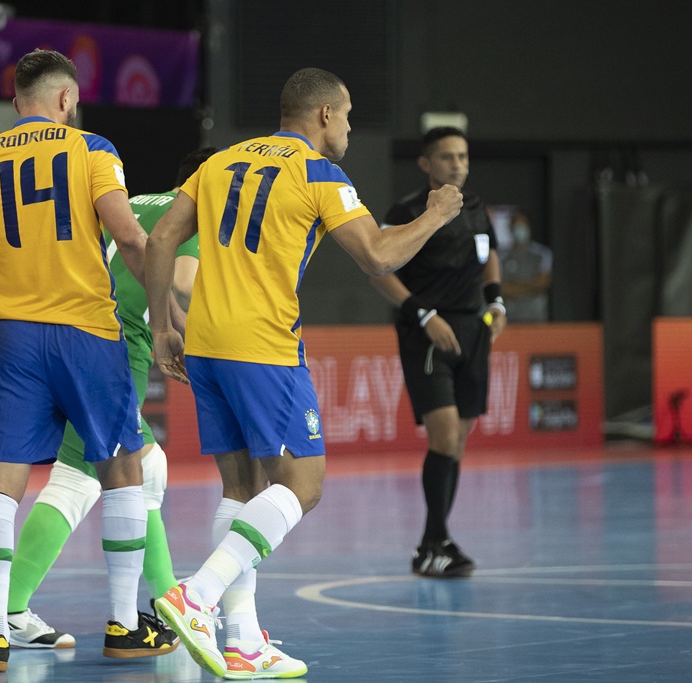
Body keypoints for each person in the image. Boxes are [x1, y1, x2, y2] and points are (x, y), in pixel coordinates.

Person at [145, 68, 463, 679]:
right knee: (304, 485)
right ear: (323, 115)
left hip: (205, 343)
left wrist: (163, 327)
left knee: (243, 489)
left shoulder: (220, 163)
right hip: (263, 345)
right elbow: (379, 254)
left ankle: (241, 641)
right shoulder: (320, 173)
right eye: (346, 115)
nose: (347, 126)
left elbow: (161, 240)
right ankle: (199, 595)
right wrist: (436, 214)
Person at [0, 49, 183, 672]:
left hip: (15, 339)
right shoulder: (92, 148)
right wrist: (161, 321)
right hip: (86, 332)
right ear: (64, 99)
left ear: (17, 100)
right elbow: (130, 236)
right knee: (122, 472)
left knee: (2, 481)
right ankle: (124, 623)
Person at [0, 147, 215, 650]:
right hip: (117, 347)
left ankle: (167, 601)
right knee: (79, 477)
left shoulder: (135, 200)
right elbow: (183, 283)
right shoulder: (195, 215)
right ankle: (10, 608)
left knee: (147, 468)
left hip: (65, 329)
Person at [371, 126, 506, 578]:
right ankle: (433, 542)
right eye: (447, 157)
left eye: (463, 157)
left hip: (473, 330)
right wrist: (424, 314)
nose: (457, 165)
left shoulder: (477, 208)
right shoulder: (405, 211)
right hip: (427, 331)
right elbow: (380, 270)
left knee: (458, 440)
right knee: (445, 436)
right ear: (426, 164)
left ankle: (436, 541)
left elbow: (489, 254)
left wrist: (497, 300)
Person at [500, 212, 552, 322]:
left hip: (535, 318)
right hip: (509, 319)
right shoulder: (502, 256)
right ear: (510, 228)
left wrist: (513, 287)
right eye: (516, 226)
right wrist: (530, 286)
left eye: (522, 226)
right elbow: (500, 288)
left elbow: (542, 282)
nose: (519, 230)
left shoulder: (542, 254)